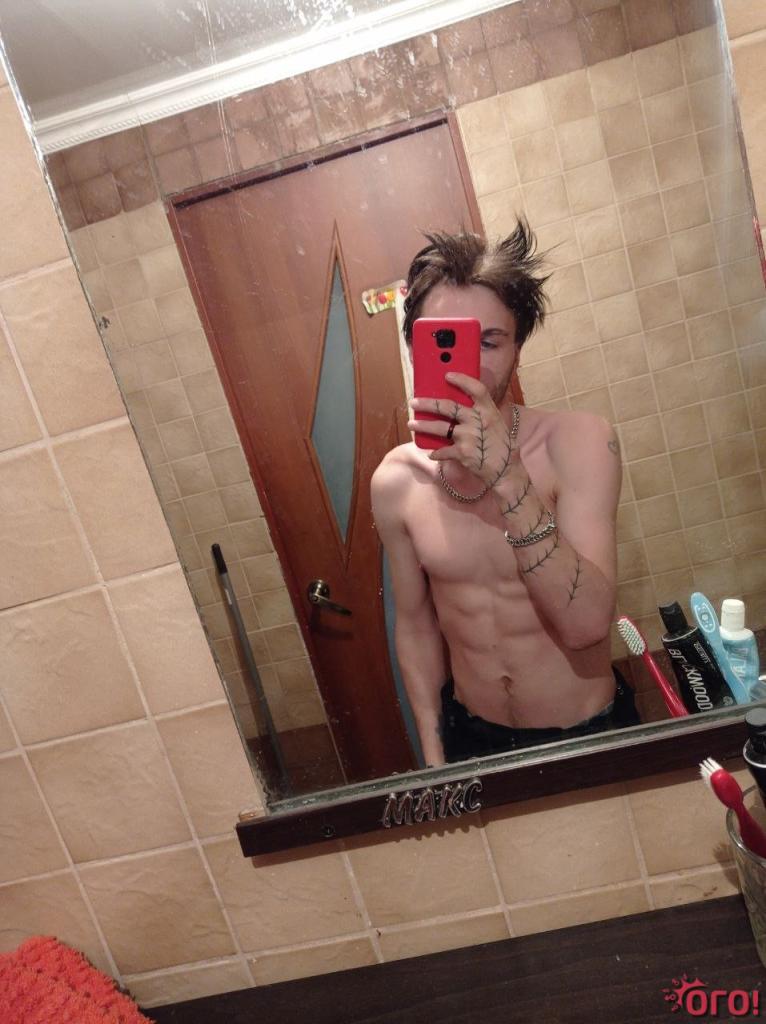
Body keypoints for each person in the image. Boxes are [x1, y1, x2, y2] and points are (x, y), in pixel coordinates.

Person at [371, 221, 640, 767]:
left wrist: (507, 475)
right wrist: (434, 758)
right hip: (472, 739)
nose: (468, 363)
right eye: (445, 341)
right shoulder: (397, 482)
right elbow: (417, 627)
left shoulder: (579, 443)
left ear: (518, 347)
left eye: (489, 341)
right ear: (415, 347)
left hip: (587, 733)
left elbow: (587, 626)